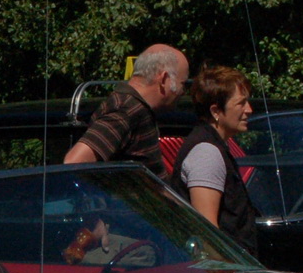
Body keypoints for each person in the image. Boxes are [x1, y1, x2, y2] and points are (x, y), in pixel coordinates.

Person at [64, 44, 189, 178]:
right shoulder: (127, 110)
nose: (183, 92)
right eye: (183, 84)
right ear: (164, 79)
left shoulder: (135, 108)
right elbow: (74, 162)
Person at [171, 64, 260, 254]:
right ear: (216, 111)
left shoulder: (215, 145)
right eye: (241, 103)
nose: (249, 109)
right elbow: (208, 233)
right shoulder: (206, 153)